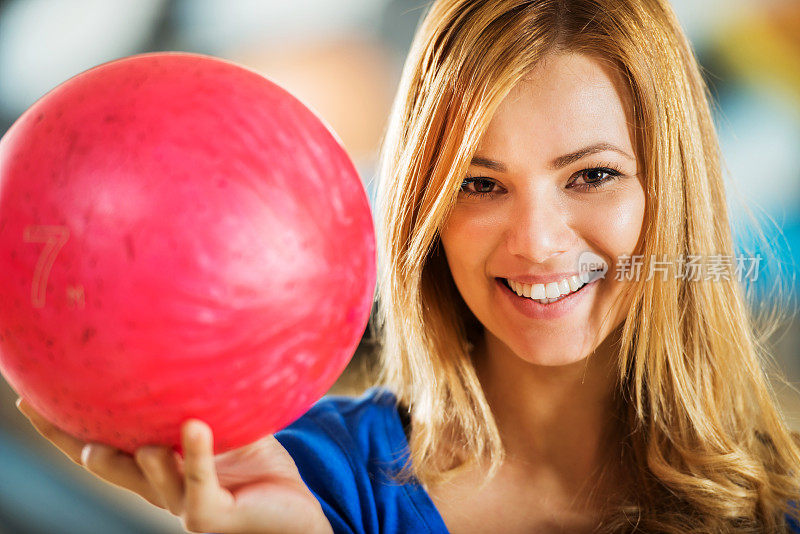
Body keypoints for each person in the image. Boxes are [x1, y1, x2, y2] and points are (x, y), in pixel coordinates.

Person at [16, 0, 800, 532]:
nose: (537, 242)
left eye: (591, 176)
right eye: (478, 183)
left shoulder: (782, 503)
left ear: (673, 192)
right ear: (426, 211)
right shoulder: (307, 477)